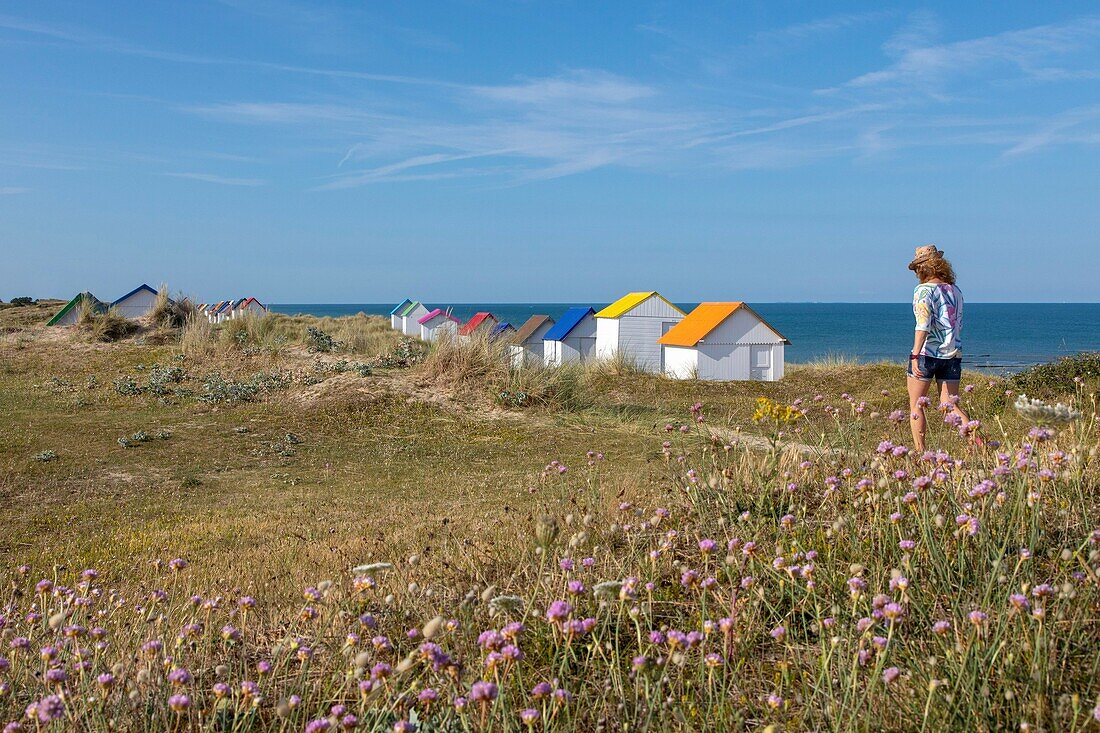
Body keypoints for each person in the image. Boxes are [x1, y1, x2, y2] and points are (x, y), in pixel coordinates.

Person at [905, 244, 980, 451]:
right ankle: (978, 445)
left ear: (923, 268)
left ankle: (921, 453)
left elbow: (923, 324)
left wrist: (915, 353)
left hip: (927, 354)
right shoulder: (955, 290)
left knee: (917, 406)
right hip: (953, 354)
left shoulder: (923, 291)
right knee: (950, 406)